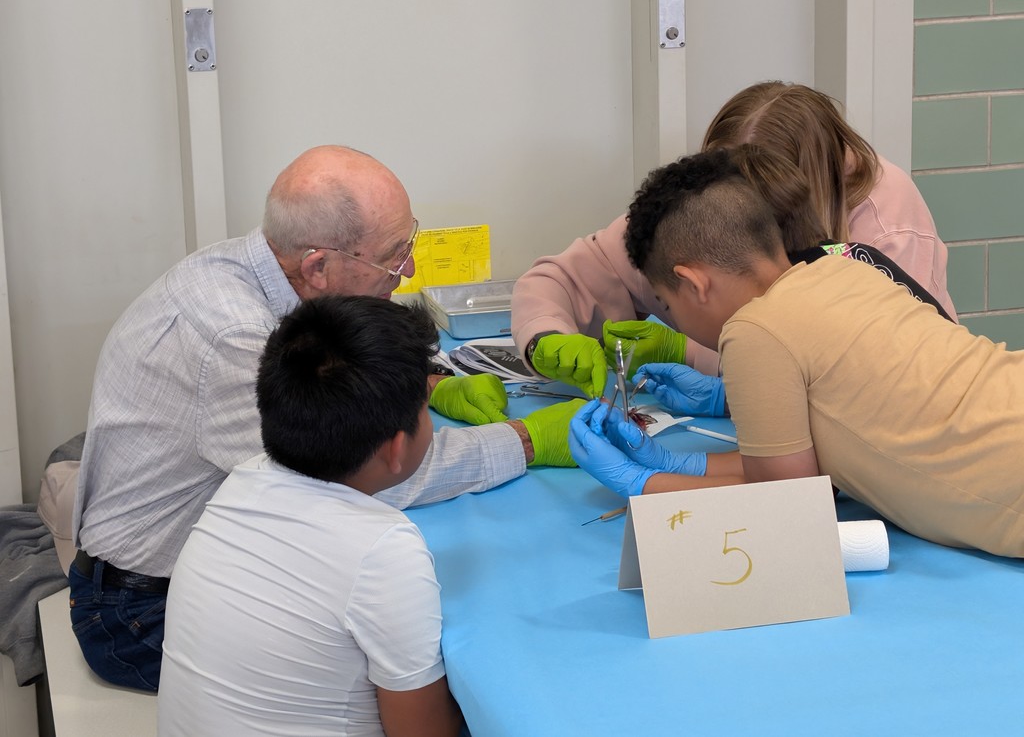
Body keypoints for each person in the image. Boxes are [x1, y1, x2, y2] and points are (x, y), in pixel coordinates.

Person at [70, 145, 581, 691]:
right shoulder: (233, 337)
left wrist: (433, 385)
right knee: (439, 678)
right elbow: (354, 475)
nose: (406, 272)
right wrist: (526, 441)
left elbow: (333, 376)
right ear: (318, 266)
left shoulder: (257, 268)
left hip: (199, 570)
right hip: (138, 610)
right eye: (393, 256)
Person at [568, 146, 1024, 559]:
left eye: (667, 305)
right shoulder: (847, 272)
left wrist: (642, 485)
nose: (673, 319)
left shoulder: (754, 330)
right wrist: (682, 463)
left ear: (693, 283)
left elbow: (788, 507)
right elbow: (810, 461)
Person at [511, 80, 957, 399]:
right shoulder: (705, 208)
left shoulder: (886, 231)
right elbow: (564, 278)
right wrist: (544, 338)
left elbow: (860, 386)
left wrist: (691, 352)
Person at [159, 295, 464, 736]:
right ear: (396, 448)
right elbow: (424, 732)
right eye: (426, 405)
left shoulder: (243, 482)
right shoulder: (382, 551)